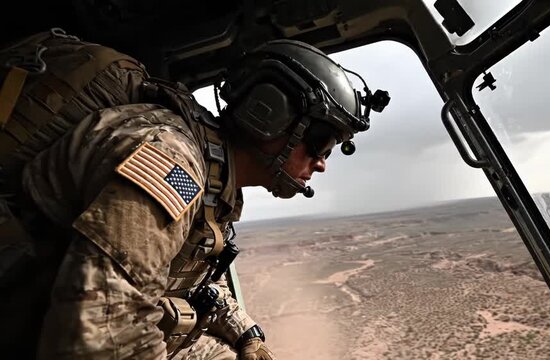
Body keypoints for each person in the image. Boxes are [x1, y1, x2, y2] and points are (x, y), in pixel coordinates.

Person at [0, 29, 389, 359]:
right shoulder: (176, 164)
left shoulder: (216, 180)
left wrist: (246, 334)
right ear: (270, 115)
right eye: (321, 144)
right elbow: (102, 329)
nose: (321, 163)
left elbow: (194, 277)